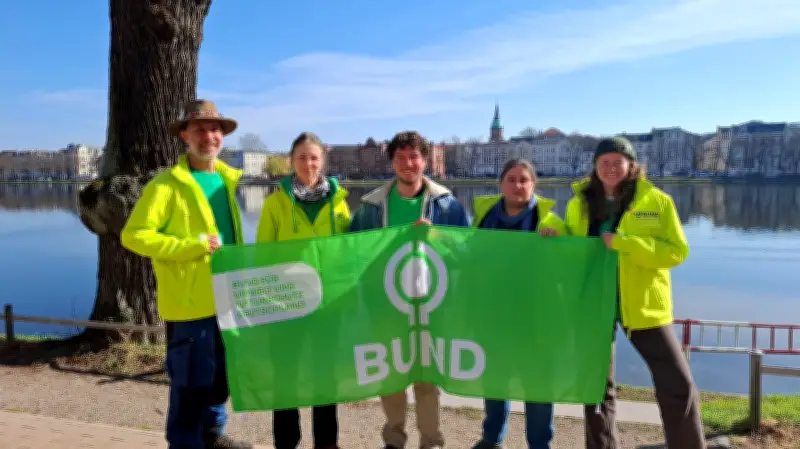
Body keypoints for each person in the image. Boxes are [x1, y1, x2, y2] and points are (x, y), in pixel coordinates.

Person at [121, 99, 252, 449]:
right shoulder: (166, 185)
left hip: (228, 298)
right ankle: (183, 443)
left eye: (214, 129)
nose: (209, 136)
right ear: (184, 135)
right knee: (190, 382)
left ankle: (212, 435)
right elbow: (133, 236)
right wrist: (190, 246)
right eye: (199, 129)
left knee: (220, 378)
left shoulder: (228, 181)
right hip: (190, 302)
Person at [563, 137, 705, 449]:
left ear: (631, 165)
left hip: (644, 305)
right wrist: (552, 228)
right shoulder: (579, 203)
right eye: (604, 163)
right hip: (594, 304)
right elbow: (571, 244)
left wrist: (627, 243)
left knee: (677, 384)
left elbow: (676, 252)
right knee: (597, 390)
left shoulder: (656, 201)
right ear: (595, 167)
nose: (611, 168)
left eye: (618, 162)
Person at [349, 130, 469, 449]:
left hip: (432, 304)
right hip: (385, 304)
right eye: (400, 158)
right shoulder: (370, 207)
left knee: (427, 378)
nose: (408, 164)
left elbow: (466, 252)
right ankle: (393, 438)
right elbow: (352, 254)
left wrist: (439, 239)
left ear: (425, 161)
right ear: (392, 163)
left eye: (414, 157)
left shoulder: (447, 206)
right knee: (391, 376)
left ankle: (431, 441)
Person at [255, 131, 350, 449]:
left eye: (314, 157)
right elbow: (262, 257)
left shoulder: (339, 202)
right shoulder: (275, 203)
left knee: (326, 377)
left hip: (328, 305)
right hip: (286, 302)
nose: (308, 163)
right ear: (291, 161)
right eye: (301, 157)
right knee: (286, 378)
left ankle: (326, 442)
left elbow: (351, 250)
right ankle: (286, 442)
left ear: (322, 161)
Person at [470, 159, 565, 449]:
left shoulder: (551, 221)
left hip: (536, 317)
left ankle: (539, 444)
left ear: (534, 184)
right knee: (495, 379)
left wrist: (558, 245)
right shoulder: (484, 217)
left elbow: (567, 267)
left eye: (524, 180)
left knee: (537, 383)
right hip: (494, 313)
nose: (517, 185)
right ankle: (492, 438)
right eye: (511, 179)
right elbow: (465, 252)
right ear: (501, 183)